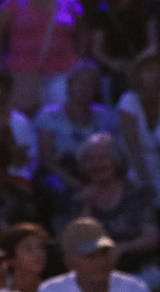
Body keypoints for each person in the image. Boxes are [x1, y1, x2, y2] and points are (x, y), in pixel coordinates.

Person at [0, 0, 88, 115]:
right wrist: (0, 63)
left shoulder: (69, 1)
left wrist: (78, 62)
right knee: (22, 119)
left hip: (61, 73)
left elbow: (83, 32)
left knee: (57, 118)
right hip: (21, 73)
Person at [68, 132, 160, 290]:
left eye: (102, 158)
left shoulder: (138, 193)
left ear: (117, 160)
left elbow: (151, 238)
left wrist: (121, 248)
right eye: (90, 159)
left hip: (139, 267)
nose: (97, 164)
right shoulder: (78, 199)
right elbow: (77, 242)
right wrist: (88, 204)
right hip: (94, 268)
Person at [34, 60, 119, 199]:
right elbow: (47, 159)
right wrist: (76, 184)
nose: (84, 88)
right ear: (69, 85)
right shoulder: (49, 115)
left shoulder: (105, 117)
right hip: (59, 173)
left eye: (90, 84)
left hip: (95, 171)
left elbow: (111, 154)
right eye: (80, 83)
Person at [117, 53, 160, 216]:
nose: (155, 75)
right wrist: (145, 181)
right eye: (149, 70)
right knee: (141, 196)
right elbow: (133, 148)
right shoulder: (128, 101)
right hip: (132, 165)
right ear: (138, 75)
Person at [89, 0, 159, 104]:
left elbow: (153, 44)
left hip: (141, 70)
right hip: (112, 72)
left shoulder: (146, 11)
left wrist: (137, 63)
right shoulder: (103, 14)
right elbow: (96, 49)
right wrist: (113, 64)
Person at [0, 221, 51, 292]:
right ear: (10, 258)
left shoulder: (52, 291)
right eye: (28, 248)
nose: (38, 253)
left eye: (40, 247)